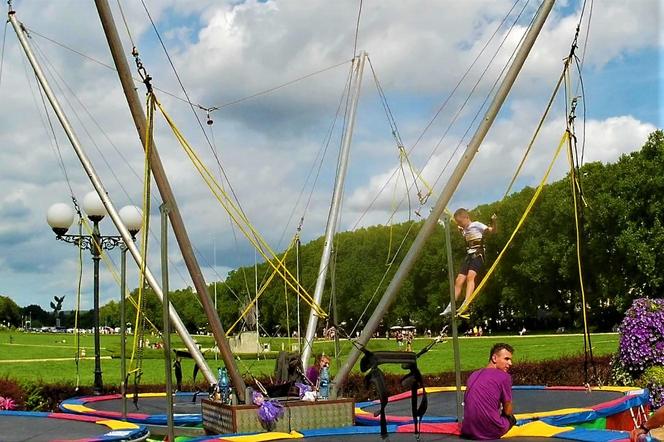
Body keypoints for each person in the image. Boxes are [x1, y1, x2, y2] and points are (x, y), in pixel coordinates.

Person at [441, 208, 497, 316]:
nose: (460, 225)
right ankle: (451, 305)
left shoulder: (477, 225)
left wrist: (494, 222)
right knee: (459, 280)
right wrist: (461, 228)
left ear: (466, 218)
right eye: (459, 223)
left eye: (461, 222)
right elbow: (462, 230)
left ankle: (466, 302)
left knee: (470, 277)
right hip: (469, 255)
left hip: (478, 254)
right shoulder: (464, 230)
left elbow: (493, 231)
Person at [461, 343, 516, 440]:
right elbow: (508, 411)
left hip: (467, 430)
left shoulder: (473, 375)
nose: (510, 363)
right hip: (490, 431)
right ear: (494, 358)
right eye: (506, 359)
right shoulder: (504, 377)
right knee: (511, 418)